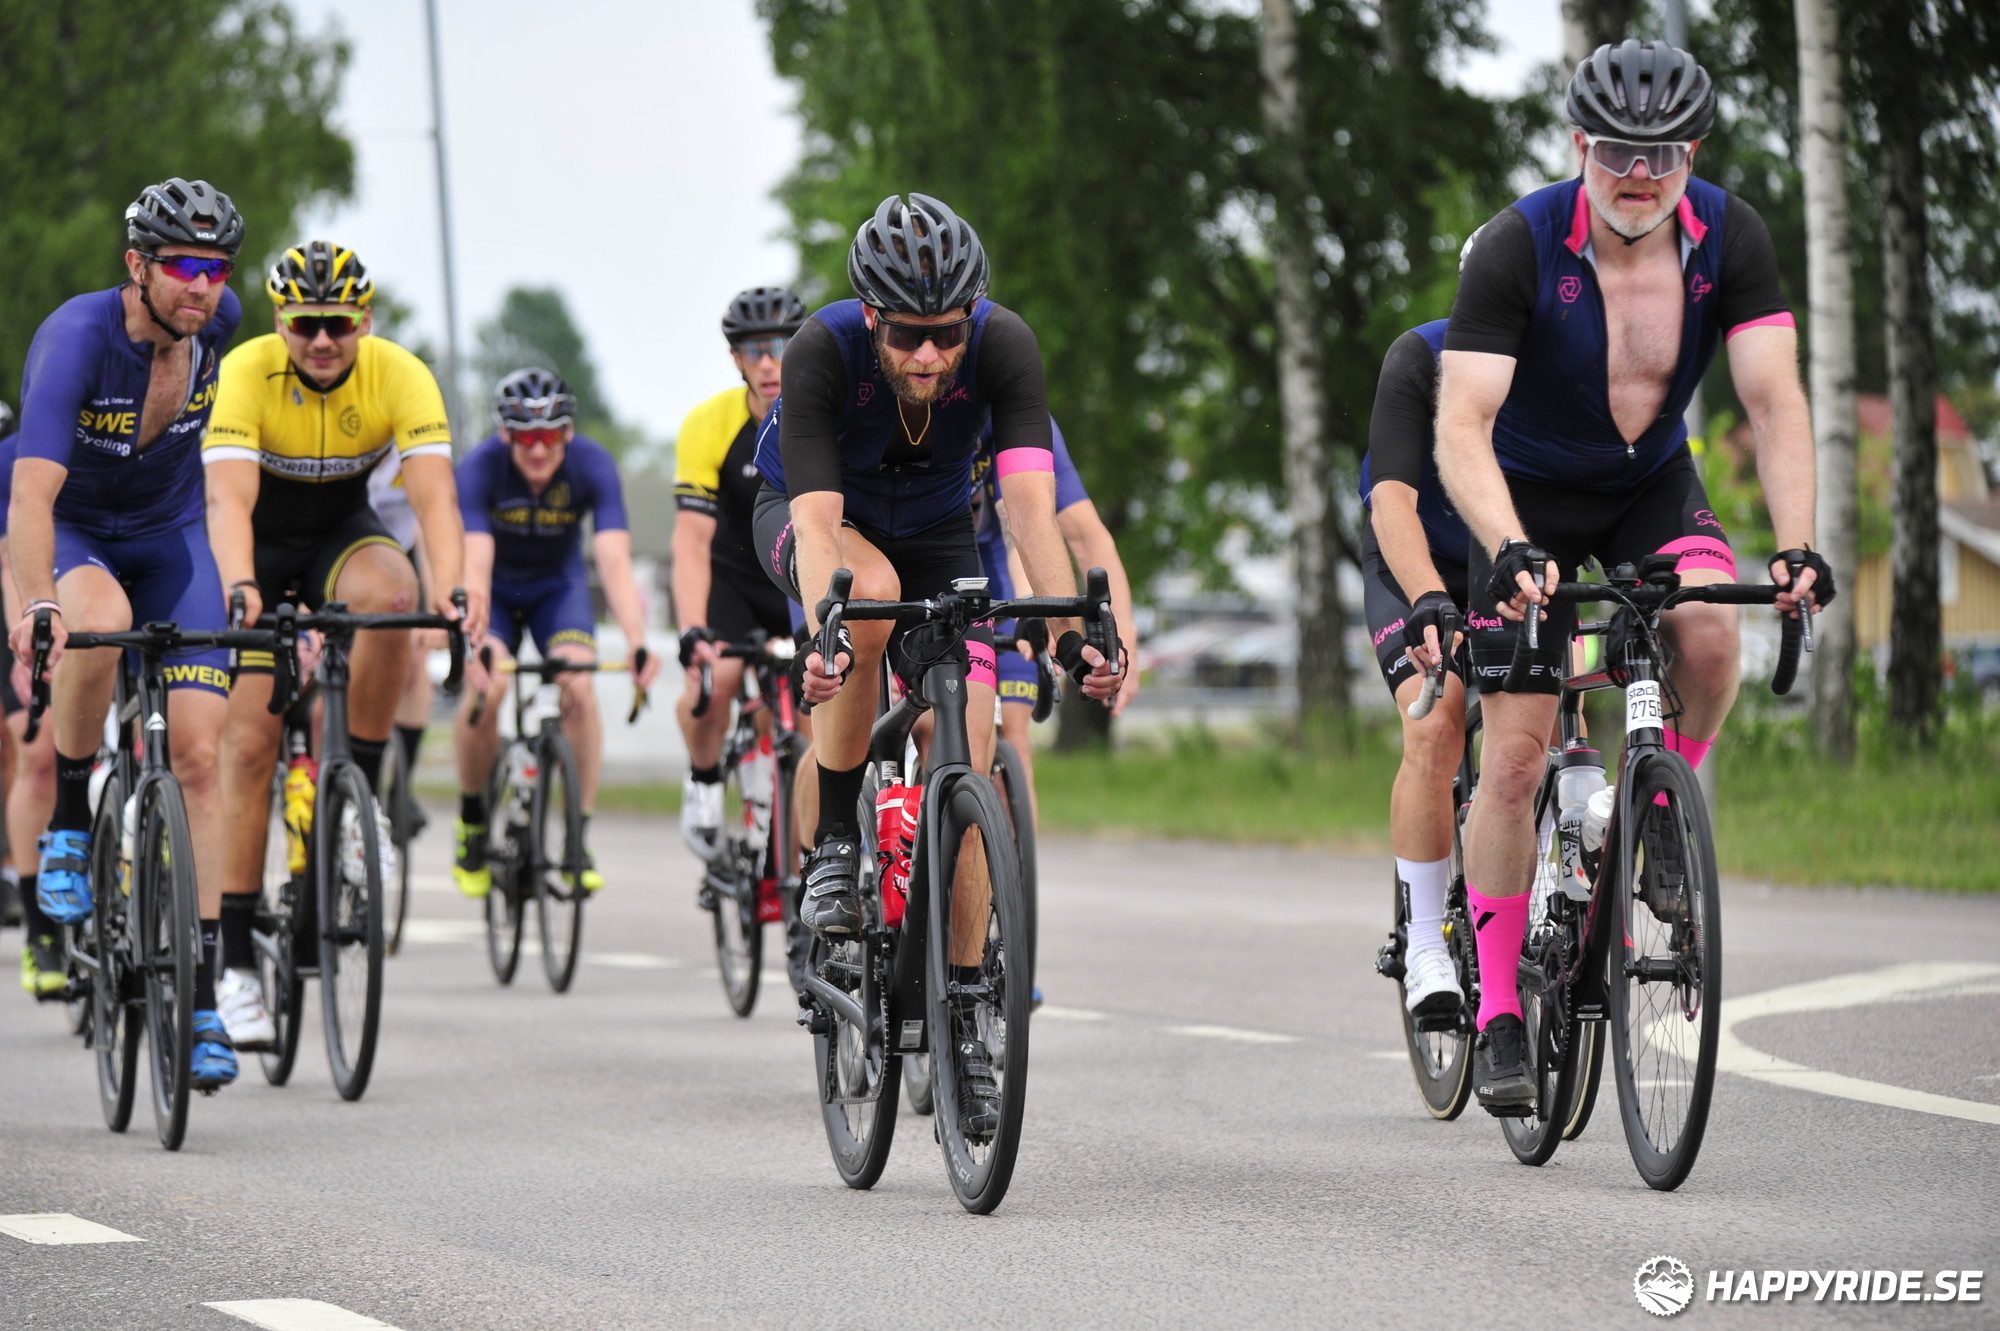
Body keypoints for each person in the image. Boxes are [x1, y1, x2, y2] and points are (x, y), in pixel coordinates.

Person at [1434, 42, 1831, 1112]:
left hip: (1649, 482)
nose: (1638, 173)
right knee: (1515, 758)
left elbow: (1773, 400)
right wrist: (1505, 543)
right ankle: (1499, 1009)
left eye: (1661, 152)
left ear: (1692, 150)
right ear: (1579, 143)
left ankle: (1657, 815)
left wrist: (1795, 542)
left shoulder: (1730, 236)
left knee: (1709, 632)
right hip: (1522, 498)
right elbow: (1461, 424)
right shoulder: (1517, 244)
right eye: (1615, 149)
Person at [750, 192, 1120, 1134]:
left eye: (947, 334)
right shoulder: (823, 351)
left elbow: (1030, 513)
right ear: (872, 316)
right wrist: (829, 631)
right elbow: (818, 528)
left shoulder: (1005, 346)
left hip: (940, 531)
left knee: (975, 746)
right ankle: (838, 841)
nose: (928, 356)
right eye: (908, 336)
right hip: (816, 518)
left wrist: (1069, 637)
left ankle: (962, 1014)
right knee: (868, 600)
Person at [7, 178, 247, 1087]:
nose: (202, 286)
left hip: (171, 538)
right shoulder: (76, 337)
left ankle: (204, 998)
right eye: (184, 265)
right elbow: (31, 496)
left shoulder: (220, 328)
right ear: (136, 265)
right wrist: (39, 601)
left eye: (217, 268)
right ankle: (71, 819)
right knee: (100, 624)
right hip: (79, 530)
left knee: (200, 755)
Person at [452, 370, 660, 896]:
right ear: (505, 433)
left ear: (568, 431)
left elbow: (613, 559)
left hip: (557, 588)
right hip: (495, 590)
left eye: (550, 435)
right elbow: (474, 561)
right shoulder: (479, 467)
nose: (539, 449)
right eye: (526, 437)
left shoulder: (592, 463)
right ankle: (472, 821)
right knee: (490, 686)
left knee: (580, 689)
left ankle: (576, 837)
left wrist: (637, 640)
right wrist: (474, 643)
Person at [1357, 321, 1474, 1023]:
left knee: (1554, 706)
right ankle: (1425, 941)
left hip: (1506, 563)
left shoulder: (1563, 360)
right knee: (1435, 725)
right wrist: (1430, 594)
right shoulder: (1420, 357)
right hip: (1410, 559)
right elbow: (1391, 501)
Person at [672, 286, 807, 858]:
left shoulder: (824, 412)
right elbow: (690, 540)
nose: (770, 363)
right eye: (755, 350)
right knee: (717, 682)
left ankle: (805, 858)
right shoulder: (709, 424)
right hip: (734, 583)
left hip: (798, 581)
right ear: (736, 359)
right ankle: (704, 781)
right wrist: (692, 629)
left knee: (814, 711)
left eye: (782, 346)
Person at [968, 417, 1139, 820]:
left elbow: (1078, 534)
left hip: (1001, 576)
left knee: (1013, 736)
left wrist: (1122, 635)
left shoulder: (1018, 417)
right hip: (918, 571)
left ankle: (1005, 856)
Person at [0, 431, 62, 995]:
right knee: (38, 755)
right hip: (27, 603)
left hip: (111, 591)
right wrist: (27, 636)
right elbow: (8, 556)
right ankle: (40, 932)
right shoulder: (20, 450)